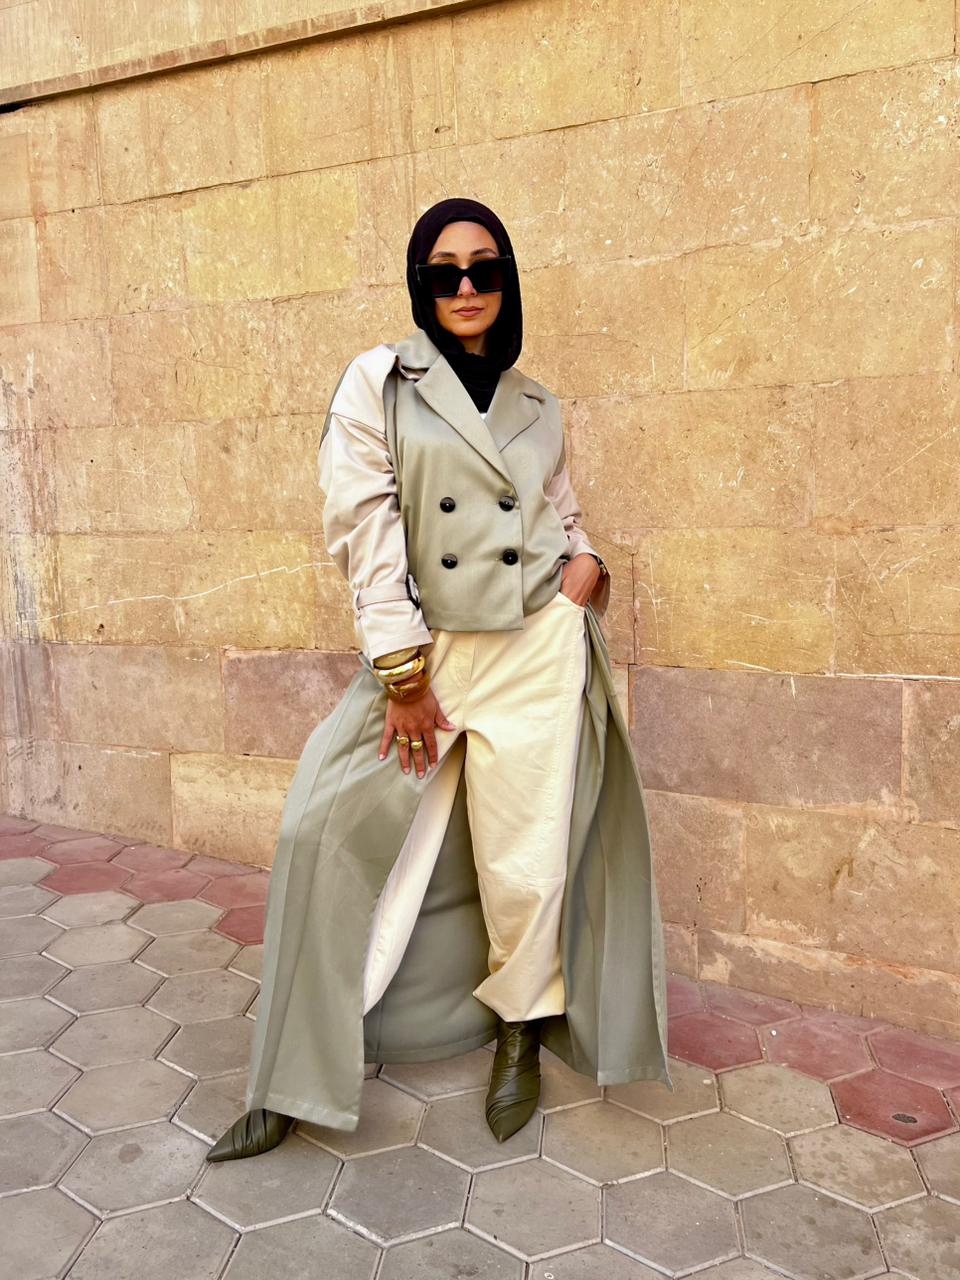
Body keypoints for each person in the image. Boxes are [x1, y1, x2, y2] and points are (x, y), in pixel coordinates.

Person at [207, 198, 671, 1164]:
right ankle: (289, 1074)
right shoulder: (379, 382)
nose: (466, 287)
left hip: (537, 648)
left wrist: (586, 566)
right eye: (444, 271)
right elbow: (364, 528)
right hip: (432, 653)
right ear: (420, 284)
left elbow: (556, 511)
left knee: (525, 859)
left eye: (484, 268)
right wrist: (402, 673)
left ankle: (519, 1031)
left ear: (508, 280)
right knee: (322, 832)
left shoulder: (538, 402)